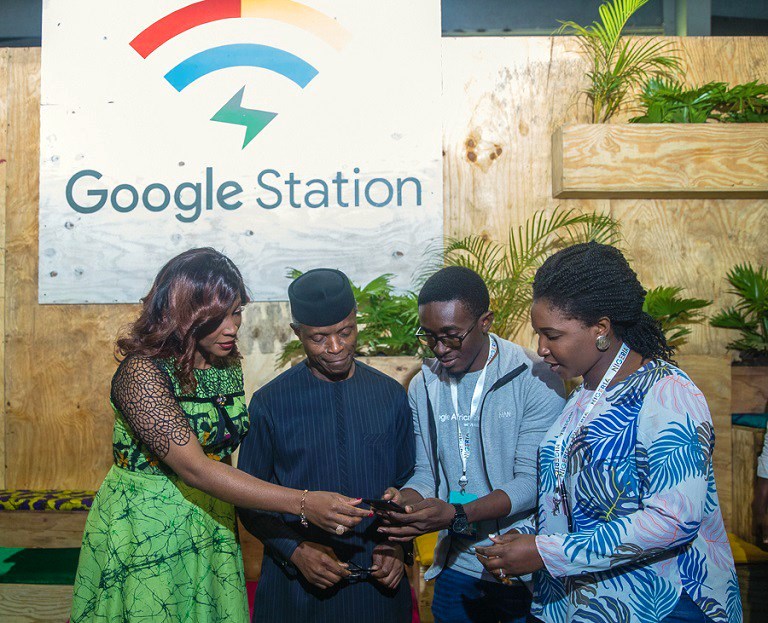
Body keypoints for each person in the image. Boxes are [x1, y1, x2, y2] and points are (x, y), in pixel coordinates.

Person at [71, 249, 368, 623]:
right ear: (183, 312)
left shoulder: (224, 364)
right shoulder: (141, 374)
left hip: (212, 517)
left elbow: (222, 459)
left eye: (237, 311)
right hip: (147, 526)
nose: (232, 327)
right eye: (218, 317)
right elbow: (195, 468)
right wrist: (304, 502)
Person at [475, 242, 742, 623]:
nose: (542, 348)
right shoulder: (582, 396)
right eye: (539, 335)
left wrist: (548, 552)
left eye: (552, 335)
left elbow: (674, 520)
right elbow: (574, 501)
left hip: (660, 603)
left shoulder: (668, 392)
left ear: (601, 328)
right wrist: (520, 541)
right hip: (585, 604)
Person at [377, 266, 565, 623]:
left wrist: (457, 513)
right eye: (429, 336)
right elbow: (425, 474)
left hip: (520, 563)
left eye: (451, 335)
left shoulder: (536, 375)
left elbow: (533, 482)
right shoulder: (425, 384)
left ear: (485, 321)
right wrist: (406, 501)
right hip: (457, 564)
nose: (440, 349)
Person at [237, 268, 416, 623]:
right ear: (297, 333)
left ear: (355, 322)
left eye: (345, 332)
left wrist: (396, 546)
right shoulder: (269, 403)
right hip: (296, 592)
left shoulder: (390, 395)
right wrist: (296, 551)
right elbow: (249, 500)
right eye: (319, 338)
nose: (335, 348)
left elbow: (410, 483)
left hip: (378, 591)